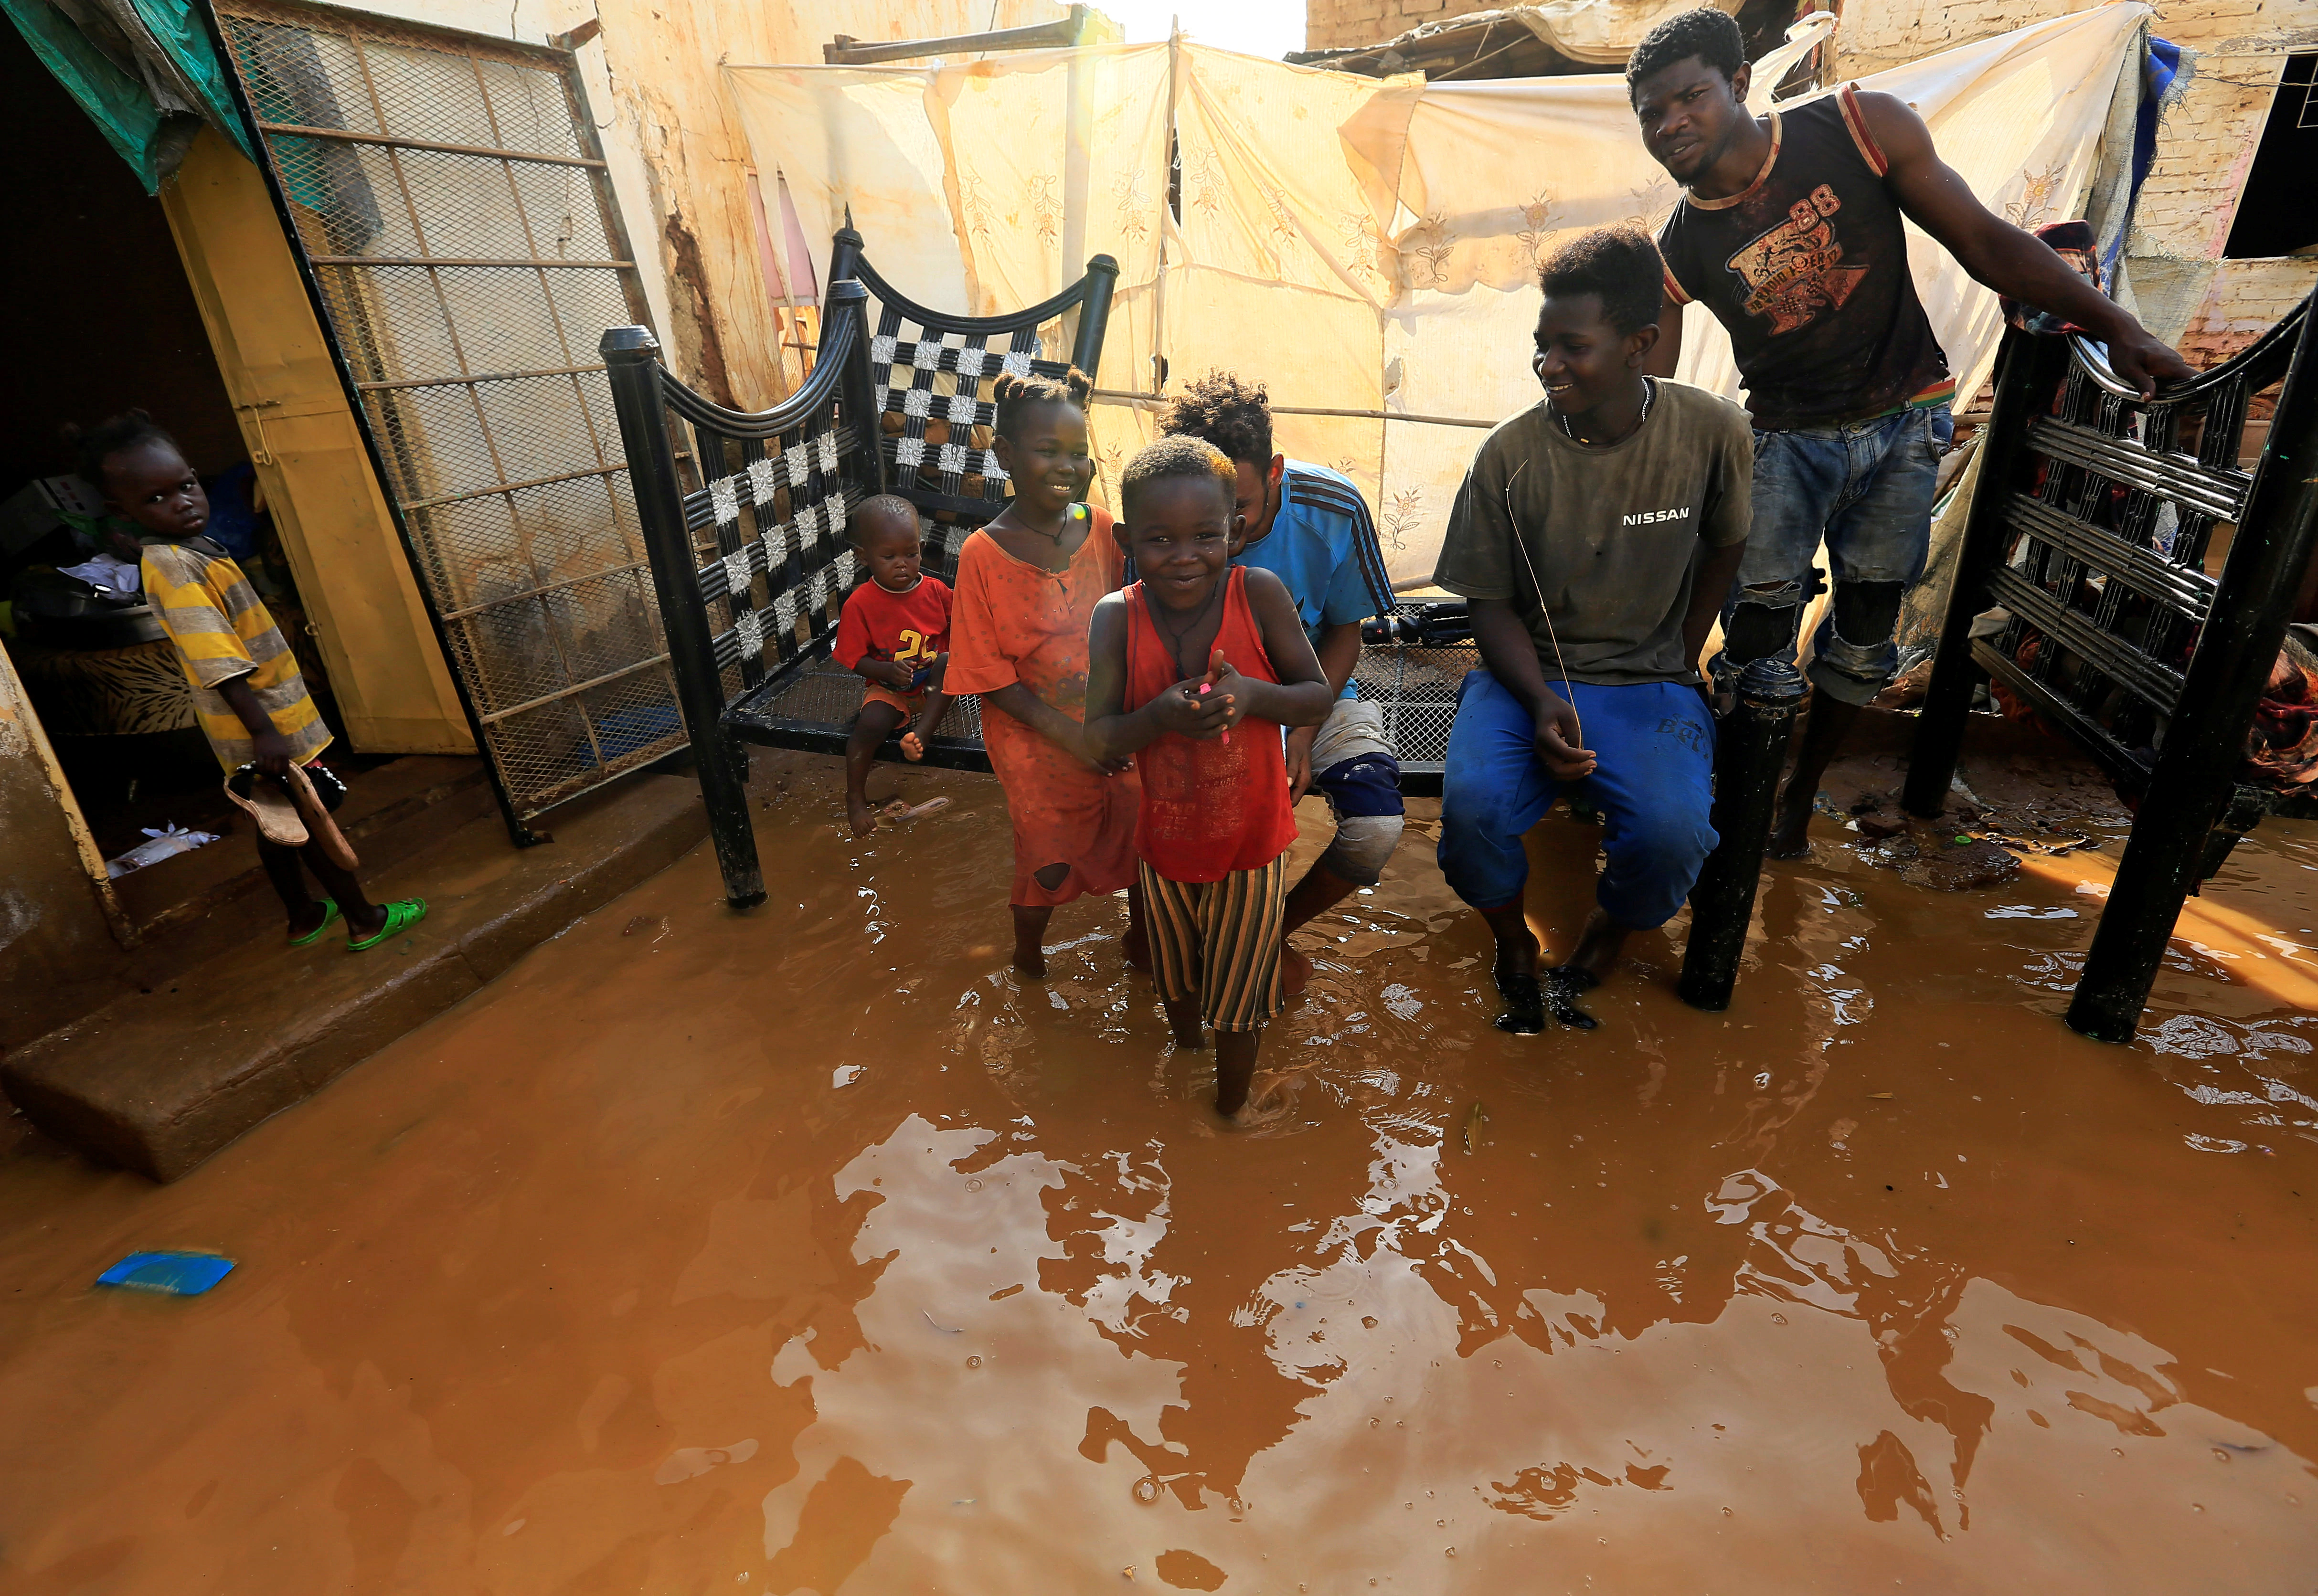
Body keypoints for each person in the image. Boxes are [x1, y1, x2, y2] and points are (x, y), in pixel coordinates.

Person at [1629, 6, 2196, 856]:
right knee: (1753, 636)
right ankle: (1735, 794)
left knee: (1861, 637)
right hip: (1783, 443)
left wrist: (2117, 326)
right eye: (1649, 113)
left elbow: (1980, 241)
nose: (1669, 124)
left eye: (1688, 98)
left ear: (1740, 83)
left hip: (1902, 425)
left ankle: (1797, 795)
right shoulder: (1678, 242)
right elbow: (1655, 390)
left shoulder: (1856, 128)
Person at [1433, 228, 1752, 1034]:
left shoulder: (1711, 432)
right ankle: (1512, 942)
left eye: (1572, 347)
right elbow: (1487, 604)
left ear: (1639, 343)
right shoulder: (1507, 457)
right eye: (1541, 347)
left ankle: (1610, 931)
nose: (1549, 366)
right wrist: (1538, 698)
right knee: (1469, 811)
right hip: (1524, 677)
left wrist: (1679, 659)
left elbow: (1725, 544)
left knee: (1674, 832)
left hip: (1646, 679)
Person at [80, 412, 424, 951]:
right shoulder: (172, 566)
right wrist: (264, 733)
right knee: (310, 821)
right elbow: (217, 659)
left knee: (279, 822)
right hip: (260, 723)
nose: (183, 502)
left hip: (267, 719)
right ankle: (364, 917)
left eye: (187, 486)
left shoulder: (197, 551)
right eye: (157, 499)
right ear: (120, 514)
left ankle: (305, 914)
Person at [1083, 436, 1334, 1122]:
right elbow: (1098, 737)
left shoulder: (1258, 594)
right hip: (1163, 847)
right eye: (1161, 539)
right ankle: (1184, 1059)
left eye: (1205, 535)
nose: (1184, 554)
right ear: (1130, 539)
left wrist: (1253, 696)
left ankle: (1230, 1112)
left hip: (1249, 847)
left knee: (1242, 998)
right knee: (1178, 981)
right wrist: (1158, 717)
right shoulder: (1115, 617)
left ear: (1237, 529)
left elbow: (1314, 695)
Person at [1159, 373, 1404, 996]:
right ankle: (1187, 942)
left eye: (1236, 505)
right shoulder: (1164, 516)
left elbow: (1345, 631)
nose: (1222, 526)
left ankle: (1267, 933)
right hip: (1204, 703)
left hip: (1317, 692)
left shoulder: (1334, 506)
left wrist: (1300, 729)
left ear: (1273, 471)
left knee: (1375, 827)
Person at [943, 370, 1145, 977]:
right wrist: (1073, 737)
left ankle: (1144, 943)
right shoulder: (982, 553)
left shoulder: (1106, 530)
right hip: (1034, 738)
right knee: (1048, 859)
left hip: (1112, 727)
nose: (1068, 466)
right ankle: (1028, 957)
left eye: (1079, 453)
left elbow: (1142, 619)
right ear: (1005, 454)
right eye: (1047, 451)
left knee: (1139, 834)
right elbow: (990, 677)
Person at [831, 494, 951, 836]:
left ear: (921, 547)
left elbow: (966, 623)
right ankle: (855, 798)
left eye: (911, 554)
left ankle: (920, 735)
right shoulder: (861, 603)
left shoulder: (936, 591)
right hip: (889, 687)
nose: (902, 564)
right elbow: (853, 658)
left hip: (932, 686)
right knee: (867, 728)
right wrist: (884, 671)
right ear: (864, 557)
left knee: (948, 662)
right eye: (889, 557)